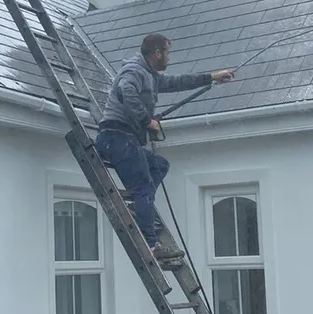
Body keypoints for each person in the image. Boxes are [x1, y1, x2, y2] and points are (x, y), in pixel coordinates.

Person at [95, 34, 235, 259]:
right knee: (143, 184)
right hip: (116, 137)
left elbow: (178, 82)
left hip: (124, 138)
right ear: (157, 53)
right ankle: (151, 245)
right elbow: (125, 91)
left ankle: (140, 210)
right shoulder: (134, 70)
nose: (169, 58)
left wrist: (212, 77)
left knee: (159, 166)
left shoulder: (151, 76)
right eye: (168, 52)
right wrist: (146, 121)